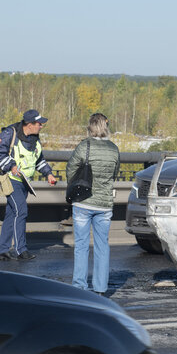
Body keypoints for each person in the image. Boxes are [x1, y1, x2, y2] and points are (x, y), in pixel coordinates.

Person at [0, 109, 57, 261]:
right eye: (39, 124)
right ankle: (21, 250)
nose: (41, 126)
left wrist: (48, 173)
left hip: (25, 183)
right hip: (10, 180)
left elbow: (39, 160)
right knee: (21, 211)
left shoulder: (35, 139)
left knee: (12, 214)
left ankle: (2, 250)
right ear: (29, 124)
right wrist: (11, 166)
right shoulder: (10, 134)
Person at [66, 113, 120, 294]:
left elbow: (71, 168)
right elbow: (114, 173)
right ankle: (101, 288)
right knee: (102, 246)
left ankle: (80, 287)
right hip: (104, 204)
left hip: (83, 202)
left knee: (81, 246)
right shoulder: (113, 149)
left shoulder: (84, 146)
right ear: (106, 127)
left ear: (90, 127)